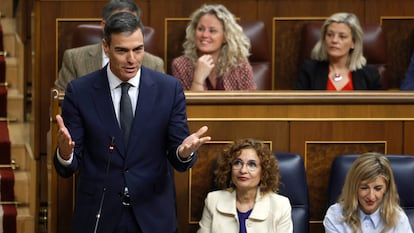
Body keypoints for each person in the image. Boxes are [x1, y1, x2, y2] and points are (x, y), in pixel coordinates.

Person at [53, 12, 211, 233]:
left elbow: (178, 153)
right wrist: (65, 153)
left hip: (152, 215)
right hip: (100, 215)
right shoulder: (80, 91)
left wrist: (184, 153)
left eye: (138, 49)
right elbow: (68, 165)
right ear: (106, 47)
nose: (132, 59)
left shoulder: (169, 89)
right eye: (122, 50)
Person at [55, 0, 164, 91]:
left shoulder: (154, 64)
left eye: (132, 23)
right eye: (119, 23)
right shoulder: (74, 59)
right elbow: (61, 100)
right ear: (104, 26)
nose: (131, 59)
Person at [197, 138, 292, 233]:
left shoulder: (280, 206)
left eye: (252, 165)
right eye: (237, 163)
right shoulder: (213, 200)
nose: (243, 170)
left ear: (263, 172)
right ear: (229, 169)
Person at [171, 4, 256, 91]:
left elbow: (252, 102)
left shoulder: (240, 65)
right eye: (200, 29)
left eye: (212, 31)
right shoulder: (181, 65)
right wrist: (198, 80)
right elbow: (188, 104)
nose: (204, 35)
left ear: (225, 37)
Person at [323, 152, 413, 233]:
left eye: (378, 188)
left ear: (387, 188)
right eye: (364, 188)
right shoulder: (336, 215)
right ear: (354, 187)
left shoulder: (398, 219)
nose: (371, 197)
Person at [295, 12, 382, 90]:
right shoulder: (310, 70)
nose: (334, 40)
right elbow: (298, 106)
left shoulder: (370, 74)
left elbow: (380, 107)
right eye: (330, 35)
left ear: (353, 43)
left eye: (342, 36)